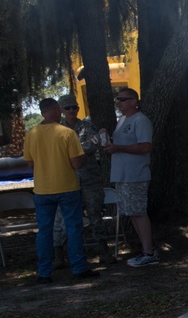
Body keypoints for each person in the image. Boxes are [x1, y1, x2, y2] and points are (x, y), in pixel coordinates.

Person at [23, 98, 100, 282]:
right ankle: (79, 268)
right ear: (57, 110)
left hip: (42, 189)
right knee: (74, 228)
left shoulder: (31, 134)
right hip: (67, 187)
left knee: (44, 231)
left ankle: (44, 272)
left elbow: (29, 163)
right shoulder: (67, 133)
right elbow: (77, 162)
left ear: (42, 112)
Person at [55, 94, 114, 264]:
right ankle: (60, 256)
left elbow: (94, 144)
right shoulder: (57, 130)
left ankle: (104, 252)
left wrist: (73, 150)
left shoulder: (87, 126)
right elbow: (61, 152)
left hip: (90, 179)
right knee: (63, 219)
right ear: (61, 110)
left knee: (95, 215)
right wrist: (81, 147)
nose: (72, 110)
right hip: (67, 181)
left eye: (74, 107)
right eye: (68, 108)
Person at [106, 87, 158, 267]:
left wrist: (119, 148)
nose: (119, 102)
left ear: (134, 102)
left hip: (135, 175)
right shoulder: (121, 120)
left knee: (139, 213)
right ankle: (146, 250)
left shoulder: (141, 120)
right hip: (122, 175)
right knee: (132, 213)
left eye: (123, 99)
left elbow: (146, 147)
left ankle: (149, 252)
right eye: (118, 99)